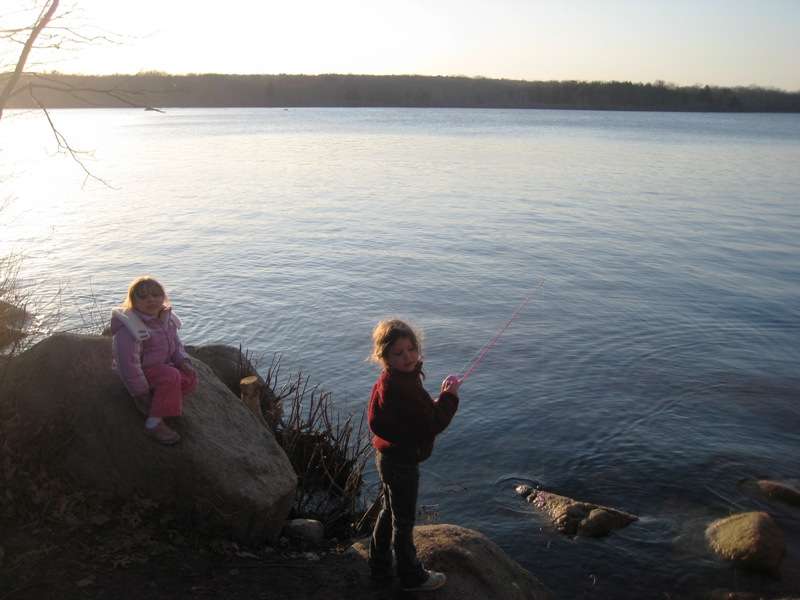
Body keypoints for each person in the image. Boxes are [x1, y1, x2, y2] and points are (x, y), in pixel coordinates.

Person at [367, 319, 461, 592]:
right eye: (399, 353)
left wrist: (431, 403)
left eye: (411, 349)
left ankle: (379, 564)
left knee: (389, 510)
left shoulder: (389, 381)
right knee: (404, 521)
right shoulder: (403, 387)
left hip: (386, 457)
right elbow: (432, 424)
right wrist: (449, 398)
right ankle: (410, 576)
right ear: (384, 356)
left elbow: (405, 416)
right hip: (403, 463)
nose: (408, 357)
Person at [110, 276, 197, 445]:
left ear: (163, 297)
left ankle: (164, 402)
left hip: (160, 367)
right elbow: (128, 365)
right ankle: (153, 423)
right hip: (140, 371)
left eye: (156, 295)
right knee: (171, 376)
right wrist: (140, 393)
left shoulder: (166, 318)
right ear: (133, 301)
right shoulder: (130, 328)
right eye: (143, 297)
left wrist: (183, 361)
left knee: (190, 377)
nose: (150, 300)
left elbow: (176, 346)